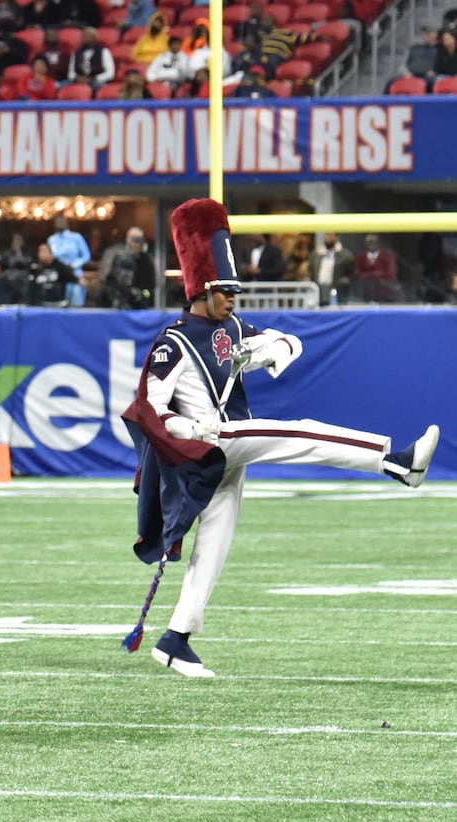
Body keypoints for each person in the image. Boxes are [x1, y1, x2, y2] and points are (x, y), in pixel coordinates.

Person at [122, 199, 439, 679]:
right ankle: (395, 462)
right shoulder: (174, 340)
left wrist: (265, 351)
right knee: (301, 433)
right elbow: (148, 408)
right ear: (202, 291)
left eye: (234, 289)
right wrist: (190, 429)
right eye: (225, 290)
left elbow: (288, 341)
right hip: (212, 440)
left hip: (227, 448)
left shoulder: (230, 326)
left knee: (218, 538)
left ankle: (175, 638)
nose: (233, 298)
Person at [98, 228, 156, 309]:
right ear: (127, 239)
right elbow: (107, 281)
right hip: (118, 304)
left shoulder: (146, 260)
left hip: (140, 305)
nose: (136, 243)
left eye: (139, 240)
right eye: (134, 239)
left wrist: (143, 294)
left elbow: (151, 285)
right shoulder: (116, 255)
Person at [46, 216, 91, 306]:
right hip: (58, 278)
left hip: (75, 275)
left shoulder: (76, 237)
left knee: (75, 308)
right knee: (56, 306)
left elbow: (86, 256)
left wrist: (73, 265)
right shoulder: (51, 240)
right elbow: (50, 258)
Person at [352, 234, 401, 302]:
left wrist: (367, 275)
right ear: (365, 243)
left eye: (374, 241)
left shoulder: (388, 256)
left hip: (386, 294)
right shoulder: (360, 257)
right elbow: (357, 274)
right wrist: (378, 274)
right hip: (365, 294)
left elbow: (391, 274)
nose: (371, 244)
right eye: (369, 242)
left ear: (379, 242)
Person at [310, 233, 355, 305]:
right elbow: (310, 269)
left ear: (336, 237)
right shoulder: (316, 254)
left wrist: (347, 279)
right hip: (319, 289)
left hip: (337, 290)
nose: (328, 238)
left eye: (330, 235)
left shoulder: (345, 255)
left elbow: (351, 271)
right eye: (326, 235)